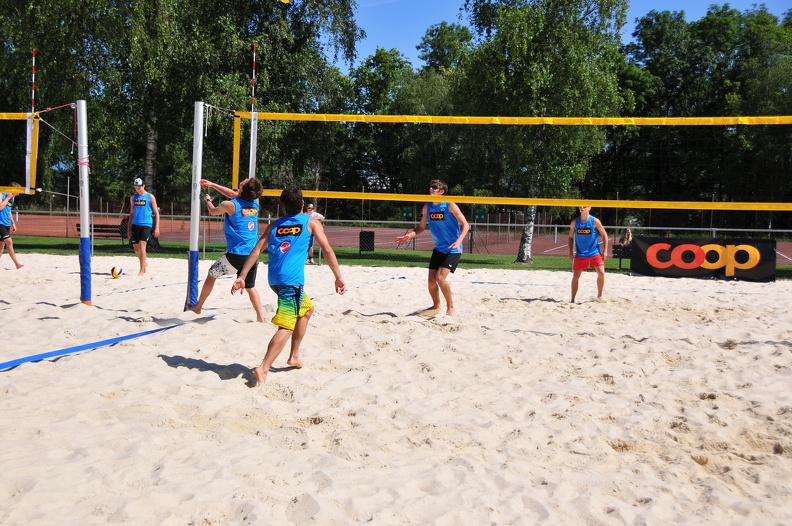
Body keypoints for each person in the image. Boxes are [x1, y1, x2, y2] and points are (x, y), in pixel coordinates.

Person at [231, 185, 346, 386]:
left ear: (283, 206)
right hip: (290, 282)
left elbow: (256, 251)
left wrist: (242, 276)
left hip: (274, 279)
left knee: (307, 309)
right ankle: (263, 367)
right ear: (302, 203)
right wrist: (338, 276)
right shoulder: (311, 223)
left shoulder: (275, 225)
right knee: (286, 325)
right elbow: (327, 250)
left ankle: (293, 356)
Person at [188, 177, 265, 322]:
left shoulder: (229, 205)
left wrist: (208, 201)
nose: (245, 179)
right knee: (250, 287)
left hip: (237, 254)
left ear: (242, 188)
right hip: (252, 253)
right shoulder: (255, 202)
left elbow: (212, 211)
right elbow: (233, 194)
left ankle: (198, 307)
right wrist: (212, 184)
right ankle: (261, 318)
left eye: (244, 181)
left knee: (212, 274)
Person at [395, 179, 470, 317]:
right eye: (430, 187)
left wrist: (459, 241)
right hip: (439, 248)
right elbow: (421, 227)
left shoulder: (450, 205)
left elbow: (466, 225)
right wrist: (409, 236)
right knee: (431, 281)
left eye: (434, 187)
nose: (431, 189)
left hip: (453, 248)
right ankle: (436, 306)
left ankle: (451, 307)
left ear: (441, 191)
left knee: (440, 278)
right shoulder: (427, 207)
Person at [568, 205, 609, 303]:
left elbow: (604, 235)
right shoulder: (575, 222)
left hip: (594, 252)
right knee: (576, 276)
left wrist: (605, 250)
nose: (582, 208)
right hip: (580, 253)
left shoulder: (594, 221)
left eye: (584, 206)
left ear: (589, 208)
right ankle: (573, 300)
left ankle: (599, 296)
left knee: (601, 273)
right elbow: (570, 237)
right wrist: (570, 251)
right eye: (580, 207)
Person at [127, 177, 160, 275]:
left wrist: (157, 227)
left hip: (146, 224)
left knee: (142, 245)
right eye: (136, 187)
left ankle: (141, 270)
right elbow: (131, 214)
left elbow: (156, 213)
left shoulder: (150, 197)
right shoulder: (133, 198)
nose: (137, 189)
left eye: (139, 187)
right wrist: (129, 228)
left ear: (143, 186)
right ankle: (144, 262)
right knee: (136, 248)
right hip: (135, 224)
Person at [0, 182, 24, 269]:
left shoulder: (12, 199)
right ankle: (17, 263)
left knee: (2, 244)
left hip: (6, 223)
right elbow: (0, 207)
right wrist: (7, 198)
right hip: (0, 222)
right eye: (17, 192)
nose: (18, 194)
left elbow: (8, 211)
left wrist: (13, 223)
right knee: (9, 241)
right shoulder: (2, 194)